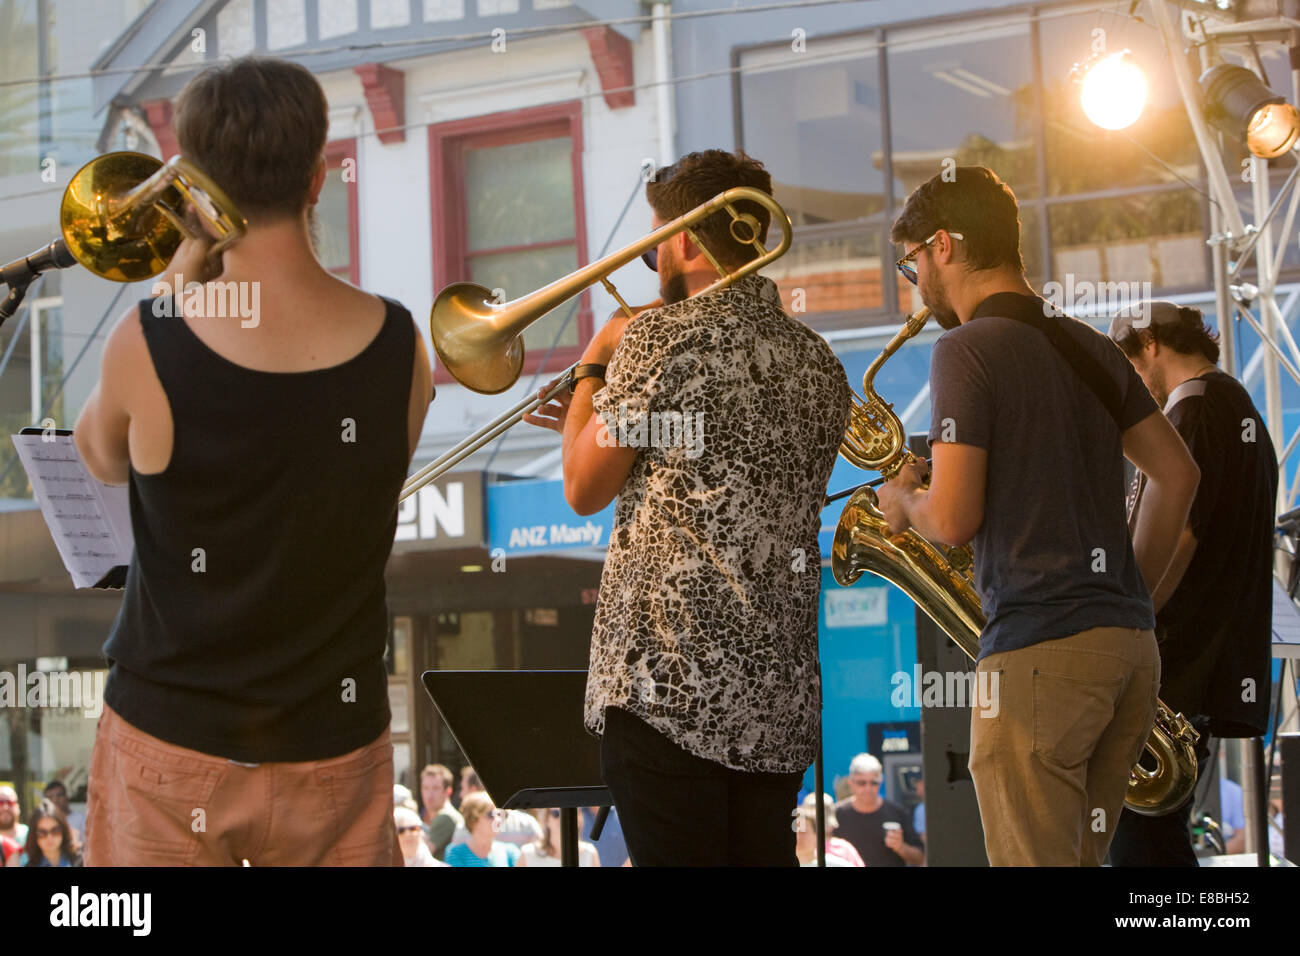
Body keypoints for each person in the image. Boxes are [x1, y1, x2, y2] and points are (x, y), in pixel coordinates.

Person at [75, 56, 433, 866]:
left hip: (171, 745)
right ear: (316, 178)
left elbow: (96, 454)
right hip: (334, 747)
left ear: (195, 185)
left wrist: (178, 283)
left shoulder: (151, 338)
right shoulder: (399, 344)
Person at [524, 149, 851, 866]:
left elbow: (582, 488)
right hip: (776, 703)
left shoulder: (656, 339)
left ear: (680, 239)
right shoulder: (820, 362)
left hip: (668, 693)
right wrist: (604, 413)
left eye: (652, 246)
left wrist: (594, 363)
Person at [876, 166, 1199, 866]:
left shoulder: (964, 348)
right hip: (1128, 652)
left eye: (911, 263)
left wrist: (903, 503)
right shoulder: (1087, 344)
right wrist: (1122, 592)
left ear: (943, 246)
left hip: (1040, 655)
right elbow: (1177, 475)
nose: (916, 283)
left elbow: (955, 518)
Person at [1104, 302, 1277, 866]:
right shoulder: (1228, 404)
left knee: (1141, 838)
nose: (1128, 384)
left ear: (1149, 343)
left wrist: (1125, 628)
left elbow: (1181, 537)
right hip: (1195, 661)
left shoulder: (1197, 407)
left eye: (1126, 362)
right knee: (1151, 832)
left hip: (1173, 660)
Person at [832, 755, 922, 867]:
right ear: (851, 783)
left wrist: (900, 847)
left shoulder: (898, 813)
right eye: (862, 783)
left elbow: (920, 858)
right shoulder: (837, 814)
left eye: (874, 783)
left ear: (881, 782)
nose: (868, 788)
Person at [447, 767, 541, 849]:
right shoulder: (528, 823)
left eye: (463, 788)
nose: (460, 795)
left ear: (474, 790)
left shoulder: (463, 828)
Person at [445, 793, 520, 867]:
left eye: (500, 814)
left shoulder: (510, 851)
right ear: (473, 819)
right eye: (491, 815)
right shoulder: (456, 853)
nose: (498, 820)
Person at [795, 793, 864, 867]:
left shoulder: (843, 850)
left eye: (803, 832)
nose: (798, 837)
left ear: (816, 834)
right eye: (795, 832)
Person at [517, 809, 600, 867]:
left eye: (572, 812)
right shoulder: (527, 853)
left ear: (578, 819)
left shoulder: (589, 852)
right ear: (546, 820)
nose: (563, 817)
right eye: (556, 814)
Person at [419, 763, 463, 861]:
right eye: (425, 788)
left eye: (436, 788)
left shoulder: (446, 816)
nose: (429, 794)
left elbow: (419, 856)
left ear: (448, 791)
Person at [20, 801, 81, 867]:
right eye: (42, 833)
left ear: (63, 830)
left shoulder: (82, 861)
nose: (49, 837)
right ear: (34, 835)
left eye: (55, 831)